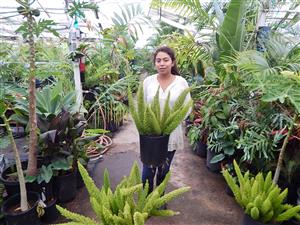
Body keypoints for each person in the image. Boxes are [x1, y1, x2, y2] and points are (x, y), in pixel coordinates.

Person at [142, 46, 192, 195]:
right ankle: (146, 199)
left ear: (173, 62)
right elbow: (143, 105)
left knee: (164, 169)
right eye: (158, 60)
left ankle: (159, 198)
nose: (162, 63)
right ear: (154, 63)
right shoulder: (148, 82)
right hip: (151, 133)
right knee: (147, 171)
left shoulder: (181, 82)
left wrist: (172, 121)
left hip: (171, 132)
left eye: (165, 60)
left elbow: (187, 106)